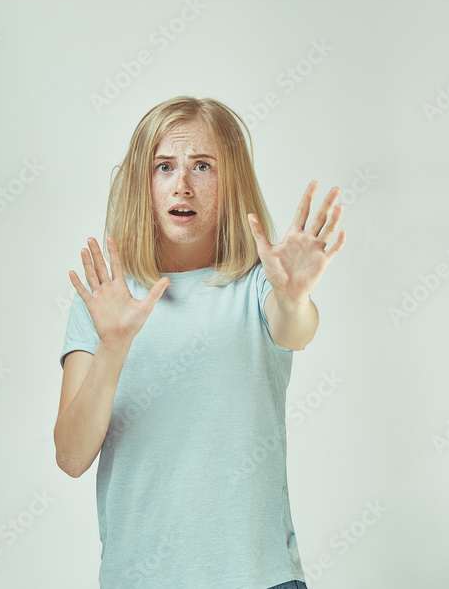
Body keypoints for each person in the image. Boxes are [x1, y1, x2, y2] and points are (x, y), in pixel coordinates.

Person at [55, 95, 345, 588]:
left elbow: (295, 327)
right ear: (142, 184)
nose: (182, 185)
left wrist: (293, 296)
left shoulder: (258, 290)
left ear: (230, 182)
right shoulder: (103, 305)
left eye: (203, 166)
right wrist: (114, 344)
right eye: (163, 166)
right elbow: (71, 456)